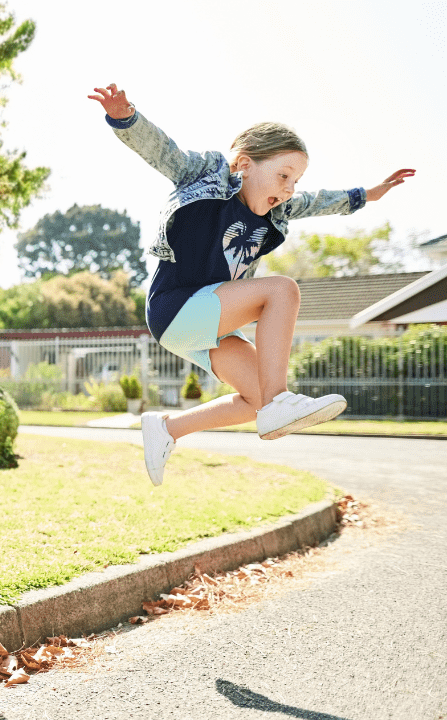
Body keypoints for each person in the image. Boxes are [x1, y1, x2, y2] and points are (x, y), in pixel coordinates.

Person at [87, 83, 415, 486]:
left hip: (207, 327)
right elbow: (163, 151)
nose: (289, 189)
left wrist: (368, 194)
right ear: (243, 164)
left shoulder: (281, 210)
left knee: (254, 398)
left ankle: (168, 429)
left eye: (294, 181)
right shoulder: (207, 174)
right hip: (175, 308)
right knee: (281, 291)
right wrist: (126, 117)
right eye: (283, 175)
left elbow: (317, 201)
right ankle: (281, 400)